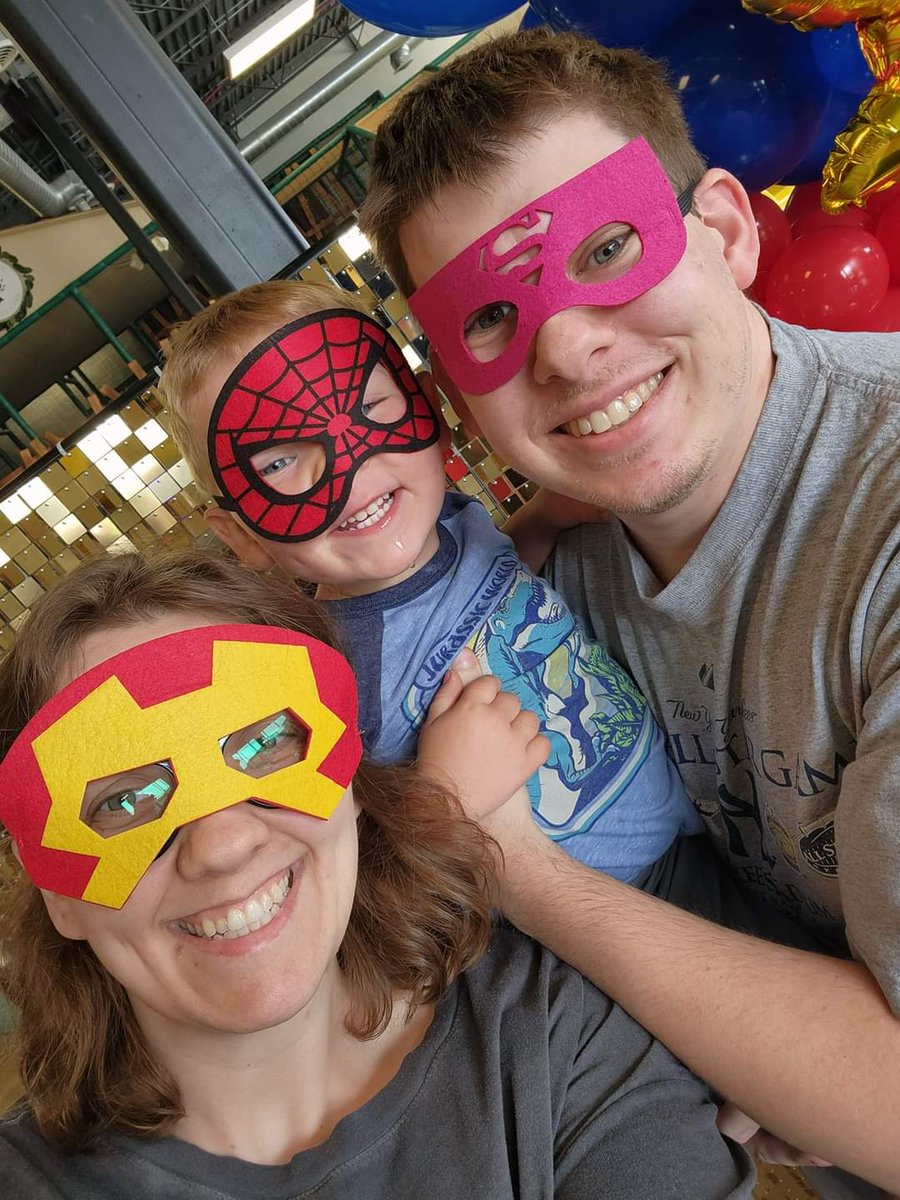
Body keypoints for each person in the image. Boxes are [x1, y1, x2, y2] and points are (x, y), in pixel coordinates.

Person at [357, 25, 900, 1197]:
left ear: (727, 228)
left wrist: (522, 868)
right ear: (455, 397)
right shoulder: (561, 586)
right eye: (489, 321)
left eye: (608, 246)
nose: (565, 346)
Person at [0, 547, 755, 1199]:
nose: (222, 844)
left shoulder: (557, 1042)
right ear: (59, 896)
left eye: (265, 743)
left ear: (351, 785)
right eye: (126, 801)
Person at [159, 280, 701, 887]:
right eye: (279, 461)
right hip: (593, 925)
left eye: (366, 407)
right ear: (243, 539)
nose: (350, 467)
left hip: (698, 830)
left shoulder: (453, 520)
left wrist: (541, 522)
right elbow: (353, 878)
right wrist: (446, 797)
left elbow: (488, 575)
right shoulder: (332, 682)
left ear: (432, 414)